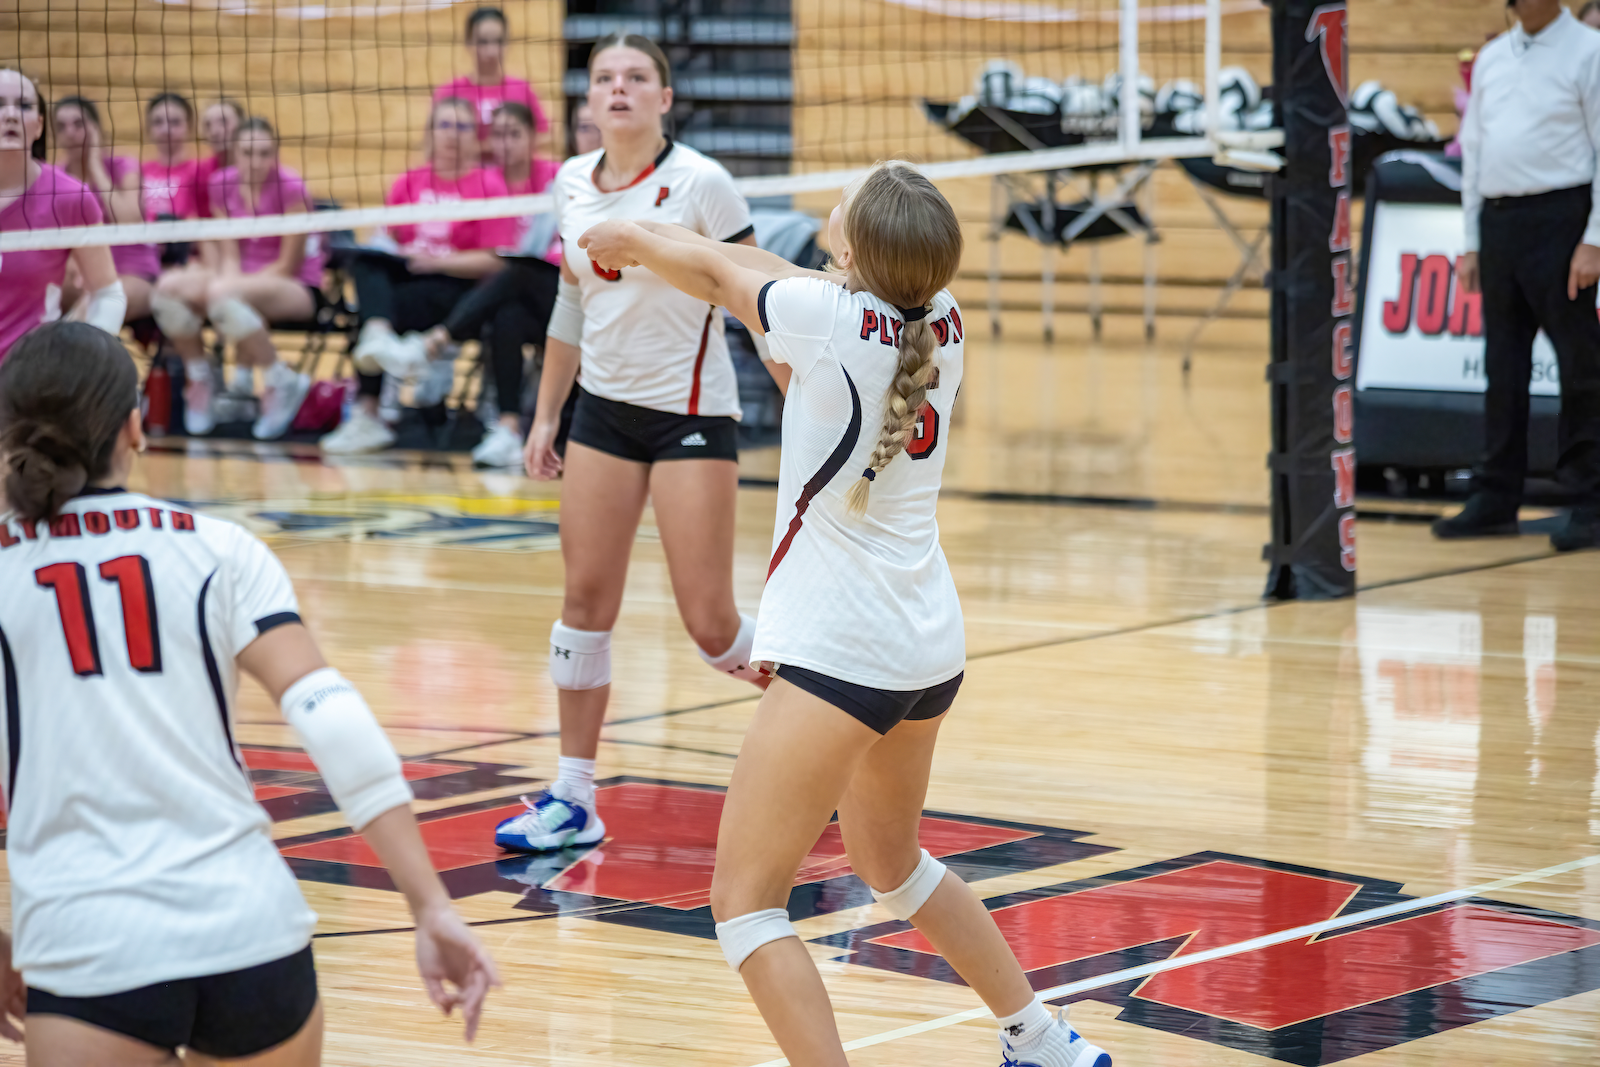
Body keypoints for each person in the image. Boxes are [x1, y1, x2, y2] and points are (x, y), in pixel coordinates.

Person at [577, 161, 1113, 1067]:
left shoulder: (823, 315)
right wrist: (648, 229)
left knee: (745, 905)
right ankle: (1042, 1039)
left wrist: (628, 237)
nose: (836, 202)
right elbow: (749, 270)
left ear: (853, 249)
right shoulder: (940, 316)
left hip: (843, 652)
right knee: (894, 865)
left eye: (847, 202)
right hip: (926, 648)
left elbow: (720, 277)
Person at [0, 322, 500, 1062]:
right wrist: (431, 905)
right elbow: (333, 719)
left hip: (90, 945)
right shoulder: (219, 547)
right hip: (250, 930)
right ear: (135, 425)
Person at [490, 33, 767, 854]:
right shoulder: (571, 181)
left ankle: (830, 724)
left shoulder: (703, 183)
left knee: (711, 623)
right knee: (584, 605)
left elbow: (757, 291)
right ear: (588, 101)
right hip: (603, 416)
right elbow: (571, 303)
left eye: (636, 77)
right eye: (604, 78)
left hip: (691, 415)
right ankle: (574, 797)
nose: (619, 88)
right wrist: (548, 413)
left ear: (664, 98)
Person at [1444, 0, 1600, 551]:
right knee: (1503, 365)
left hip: (1561, 219)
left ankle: (1591, 500)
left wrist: (1595, 238)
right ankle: (1495, 496)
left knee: (1581, 367)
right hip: (1499, 221)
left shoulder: (1590, 51)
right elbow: (1474, 151)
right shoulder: (1491, 58)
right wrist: (1472, 241)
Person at [321, 97, 517, 455]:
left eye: (462, 126)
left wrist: (439, 262)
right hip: (410, 280)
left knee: (377, 305)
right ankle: (377, 347)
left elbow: (496, 262)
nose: (453, 134)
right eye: (445, 125)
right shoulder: (410, 182)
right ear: (430, 133)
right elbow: (386, 238)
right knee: (365, 263)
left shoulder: (489, 186)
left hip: (457, 291)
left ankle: (371, 402)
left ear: (476, 136)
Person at [384, 101, 564, 468]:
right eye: (497, 134)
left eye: (514, 134)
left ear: (533, 138)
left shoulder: (556, 177)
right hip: (512, 296)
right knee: (507, 314)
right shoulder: (487, 181)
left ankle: (436, 344)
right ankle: (508, 429)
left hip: (562, 288)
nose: (504, 143)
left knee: (514, 269)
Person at [150, 118, 321, 441]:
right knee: (167, 290)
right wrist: (227, 288)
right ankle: (201, 377)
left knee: (222, 293)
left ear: (275, 155)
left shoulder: (291, 188)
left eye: (264, 154)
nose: (255, 162)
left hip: (294, 286)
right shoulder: (221, 184)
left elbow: (287, 265)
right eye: (247, 153)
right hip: (238, 279)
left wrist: (228, 290)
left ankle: (279, 380)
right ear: (235, 152)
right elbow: (229, 255)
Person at [0, 70, 124, 362]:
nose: (11, 115)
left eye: (24, 106)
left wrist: (89, 359)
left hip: (31, 373)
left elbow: (107, 293)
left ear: (39, 126)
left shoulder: (69, 197)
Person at [51, 95, 159, 325]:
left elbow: (130, 222)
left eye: (78, 124)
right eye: (61, 127)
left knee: (97, 306)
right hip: (81, 275)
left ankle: (68, 341)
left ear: (96, 129)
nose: (70, 132)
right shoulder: (54, 178)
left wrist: (96, 168)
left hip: (134, 273)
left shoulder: (124, 167)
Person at [434, 6, 550, 146]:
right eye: (483, 42)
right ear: (468, 42)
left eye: (499, 41)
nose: (491, 51)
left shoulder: (522, 89)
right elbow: (432, 140)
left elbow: (544, 134)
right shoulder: (450, 91)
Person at [140, 92, 199, 223]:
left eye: (175, 122)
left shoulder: (199, 171)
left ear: (189, 126)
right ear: (148, 128)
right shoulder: (137, 172)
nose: (165, 130)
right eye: (158, 122)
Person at [194, 97, 243, 238]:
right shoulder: (198, 173)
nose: (214, 131)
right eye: (208, 125)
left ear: (242, 125)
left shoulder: (259, 168)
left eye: (223, 122)